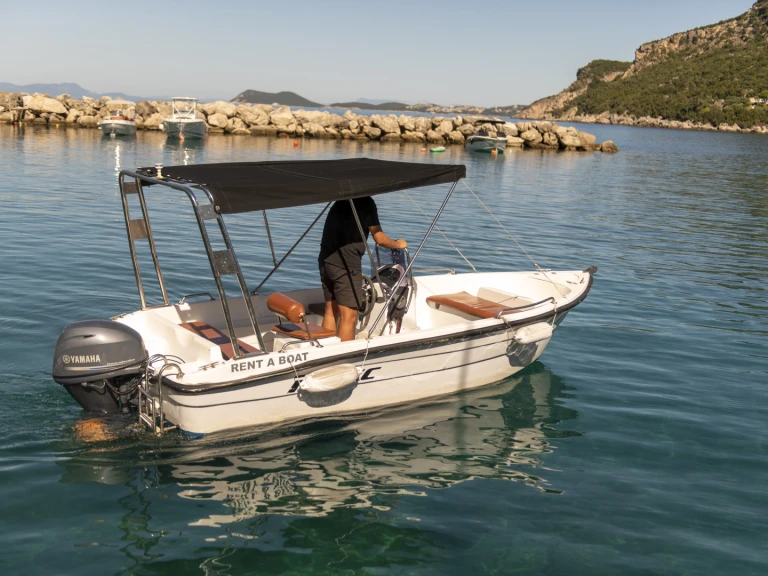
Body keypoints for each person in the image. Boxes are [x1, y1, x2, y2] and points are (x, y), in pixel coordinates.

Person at [319, 196, 407, 341]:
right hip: (346, 263)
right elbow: (380, 239)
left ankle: (323, 352)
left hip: (326, 259)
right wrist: (398, 244)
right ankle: (344, 358)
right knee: (349, 316)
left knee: (331, 311)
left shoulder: (341, 200)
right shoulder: (366, 202)